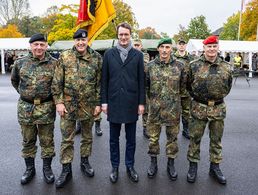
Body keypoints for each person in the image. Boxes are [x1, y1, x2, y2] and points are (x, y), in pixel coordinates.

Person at [51, 29, 102, 188]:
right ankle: (66, 169)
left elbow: (100, 84)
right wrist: (58, 102)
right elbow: (57, 82)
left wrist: (98, 103)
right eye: (78, 40)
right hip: (68, 106)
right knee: (67, 139)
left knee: (87, 137)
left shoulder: (97, 58)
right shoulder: (65, 56)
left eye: (84, 40)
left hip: (89, 105)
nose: (81, 43)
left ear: (88, 41)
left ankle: (85, 162)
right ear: (74, 41)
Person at [101, 22, 145, 183]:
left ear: (130, 35)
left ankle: (130, 166)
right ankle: (114, 167)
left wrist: (141, 103)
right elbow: (104, 80)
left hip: (132, 103)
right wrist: (104, 102)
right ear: (117, 36)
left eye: (126, 34)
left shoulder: (138, 55)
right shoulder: (108, 54)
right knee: (113, 139)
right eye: (121, 34)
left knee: (131, 139)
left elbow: (141, 81)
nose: (124, 37)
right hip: (113, 103)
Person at [11, 33, 57, 185]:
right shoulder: (20, 63)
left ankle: (47, 169)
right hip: (26, 108)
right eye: (35, 44)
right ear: (30, 46)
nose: (39, 47)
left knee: (47, 141)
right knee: (28, 140)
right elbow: (15, 81)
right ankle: (30, 169)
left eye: (42, 44)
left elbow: (58, 85)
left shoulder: (54, 63)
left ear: (46, 46)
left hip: (46, 107)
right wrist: (26, 95)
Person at [186, 35, 233, 185]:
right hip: (199, 107)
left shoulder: (226, 66)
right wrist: (199, 99)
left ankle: (215, 167)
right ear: (204, 48)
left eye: (214, 46)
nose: (212, 49)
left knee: (216, 140)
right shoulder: (193, 65)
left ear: (218, 48)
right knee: (195, 138)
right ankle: (193, 166)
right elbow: (187, 85)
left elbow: (228, 86)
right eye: (209, 47)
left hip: (218, 108)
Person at [146, 38, 187, 180]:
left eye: (167, 47)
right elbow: (146, 87)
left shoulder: (180, 66)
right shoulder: (150, 66)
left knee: (172, 139)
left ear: (171, 49)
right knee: (153, 139)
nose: (164, 50)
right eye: (162, 47)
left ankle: (171, 164)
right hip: (155, 111)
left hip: (173, 111)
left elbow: (183, 89)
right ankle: (153, 163)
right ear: (158, 49)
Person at [174, 38, 193, 139]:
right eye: (180, 44)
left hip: (186, 90)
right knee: (174, 112)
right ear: (177, 45)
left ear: (185, 46)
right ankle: (174, 131)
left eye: (183, 44)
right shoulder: (172, 57)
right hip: (175, 89)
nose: (181, 46)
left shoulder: (191, 58)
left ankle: (186, 130)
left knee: (187, 112)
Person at [133, 39, 150, 138]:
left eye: (138, 45)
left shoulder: (145, 55)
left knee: (146, 108)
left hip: (143, 86)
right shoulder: (127, 54)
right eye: (134, 45)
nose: (136, 47)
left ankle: (145, 127)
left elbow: (144, 66)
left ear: (141, 46)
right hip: (132, 86)